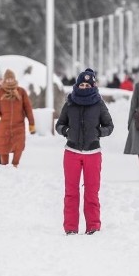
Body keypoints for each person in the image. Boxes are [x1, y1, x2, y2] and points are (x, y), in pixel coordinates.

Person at [55, 68, 114, 235]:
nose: (84, 87)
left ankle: (93, 227)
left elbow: (109, 126)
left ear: (93, 85)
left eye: (87, 84)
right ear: (77, 84)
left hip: (93, 154)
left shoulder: (99, 103)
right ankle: (71, 228)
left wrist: (99, 133)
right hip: (71, 153)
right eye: (81, 84)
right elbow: (59, 125)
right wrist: (66, 131)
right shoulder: (70, 102)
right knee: (71, 192)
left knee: (91, 193)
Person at [0, 69, 35, 167]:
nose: (10, 81)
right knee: (3, 146)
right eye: (7, 79)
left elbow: (28, 108)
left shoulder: (21, 91)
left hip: (18, 125)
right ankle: (5, 166)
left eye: (11, 79)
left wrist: (31, 124)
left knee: (18, 146)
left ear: (14, 79)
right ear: (4, 80)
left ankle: (15, 164)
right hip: (3, 125)